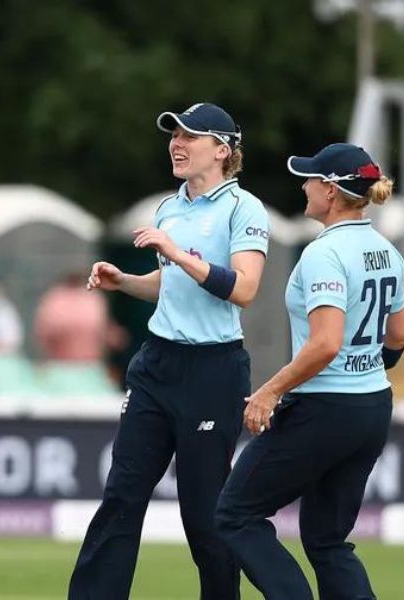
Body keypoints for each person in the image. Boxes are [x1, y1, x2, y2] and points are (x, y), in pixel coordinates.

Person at [70, 102, 270, 600]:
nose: (176, 144)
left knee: (204, 514)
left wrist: (179, 253)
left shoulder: (243, 208)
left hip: (212, 369)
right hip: (158, 364)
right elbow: (172, 284)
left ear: (222, 150)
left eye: (190, 137)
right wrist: (126, 282)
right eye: (173, 135)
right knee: (121, 497)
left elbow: (244, 288)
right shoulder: (170, 207)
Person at [215, 144, 404, 599]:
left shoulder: (324, 254)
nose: (304, 185)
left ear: (332, 191)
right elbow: (396, 338)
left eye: (311, 179)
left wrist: (269, 391)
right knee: (327, 540)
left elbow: (325, 343)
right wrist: (363, 373)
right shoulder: (387, 251)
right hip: (372, 407)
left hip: (325, 407)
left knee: (235, 515)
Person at [33, 269, 127, 366]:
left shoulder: (53, 299)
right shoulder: (92, 298)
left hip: (78, 368)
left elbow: (43, 335)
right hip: (68, 368)